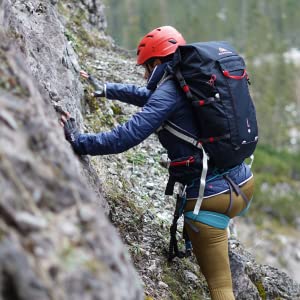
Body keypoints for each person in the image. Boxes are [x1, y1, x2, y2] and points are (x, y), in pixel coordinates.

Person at [61, 26, 254, 300]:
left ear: (155, 62)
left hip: (211, 199)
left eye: (145, 67)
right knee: (208, 228)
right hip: (242, 182)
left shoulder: (169, 92)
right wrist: (106, 89)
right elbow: (149, 97)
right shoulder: (190, 82)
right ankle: (193, 243)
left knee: (221, 289)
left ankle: (201, 242)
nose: (143, 74)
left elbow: (125, 137)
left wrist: (78, 141)